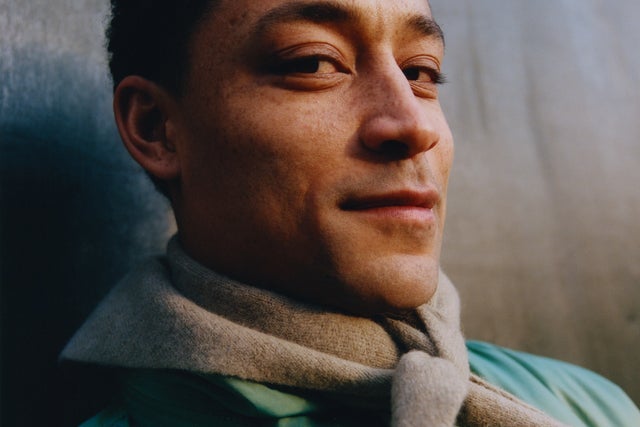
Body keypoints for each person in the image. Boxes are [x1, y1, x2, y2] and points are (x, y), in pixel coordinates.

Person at [61, 0, 640, 426]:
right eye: (314, 62)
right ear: (156, 128)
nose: (412, 123)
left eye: (421, 73)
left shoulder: (589, 407)